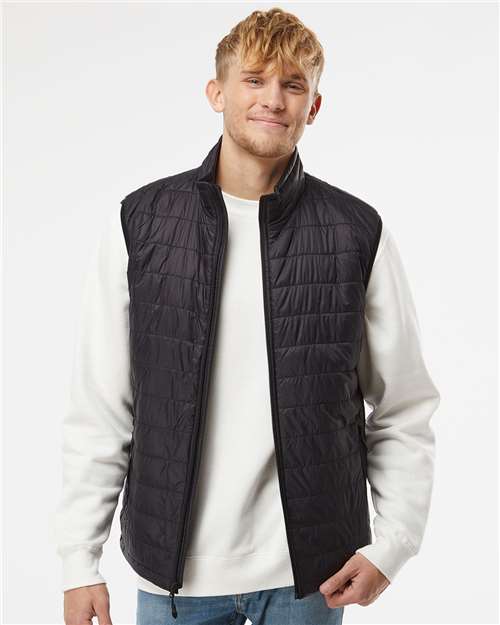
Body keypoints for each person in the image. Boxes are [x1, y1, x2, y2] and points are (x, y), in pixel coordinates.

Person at [52, 7, 440, 625]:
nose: (273, 99)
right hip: (173, 577)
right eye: (254, 79)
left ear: (314, 106)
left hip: (310, 578)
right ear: (217, 93)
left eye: (293, 85)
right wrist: (80, 561)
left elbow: (403, 406)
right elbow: (102, 407)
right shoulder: (141, 223)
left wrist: (393, 545)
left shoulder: (355, 231)